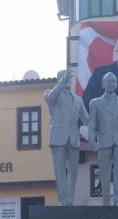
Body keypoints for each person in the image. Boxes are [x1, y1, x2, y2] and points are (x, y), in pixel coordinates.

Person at [88, 72, 118, 206]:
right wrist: (91, 139)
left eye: (114, 81)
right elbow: (91, 123)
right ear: (103, 84)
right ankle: (106, 201)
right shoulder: (95, 103)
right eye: (108, 81)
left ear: (117, 84)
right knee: (104, 173)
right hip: (103, 141)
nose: (111, 84)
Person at [45, 69, 90, 207]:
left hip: (73, 139)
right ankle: (63, 201)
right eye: (65, 79)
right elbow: (51, 97)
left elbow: (87, 119)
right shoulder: (50, 94)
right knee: (60, 172)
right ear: (60, 80)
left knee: (73, 172)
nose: (68, 82)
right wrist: (61, 82)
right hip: (58, 138)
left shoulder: (77, 99)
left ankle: (69, 200)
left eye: (69, 79)